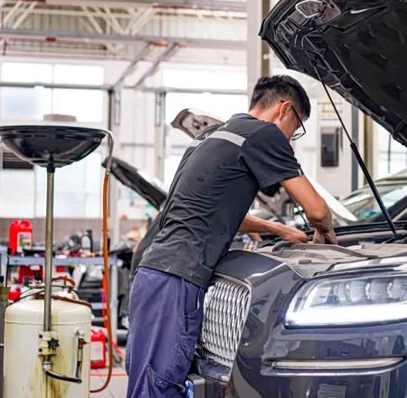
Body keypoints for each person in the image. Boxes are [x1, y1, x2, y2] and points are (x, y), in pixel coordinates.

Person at [126, 74, 337, 397]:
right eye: (296, 127)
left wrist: (279, 229)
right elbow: (317, 210)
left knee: (147, 380)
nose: (291, 137)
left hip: (154, 274)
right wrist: (327, 233)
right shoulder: (265, 134)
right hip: (178, 278)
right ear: (284, 109)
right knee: (160, 385)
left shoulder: (211, 136)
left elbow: (209, 210)